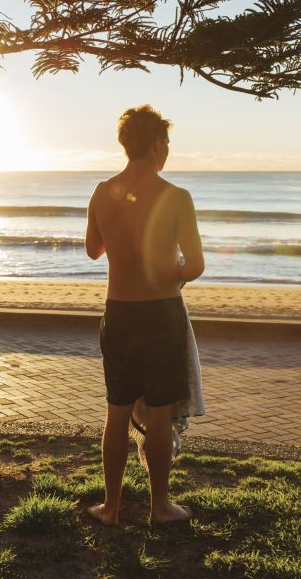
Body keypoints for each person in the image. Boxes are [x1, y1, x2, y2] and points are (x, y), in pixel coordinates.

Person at [84, 105, 205, 526]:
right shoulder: (176, 197)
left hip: (118, 313)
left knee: (116, 411)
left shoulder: (102, 191)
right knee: (158, 411)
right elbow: (195, 265)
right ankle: (159, 508)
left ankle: (112, 508)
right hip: (161, 314)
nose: (167, 150)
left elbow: (93, 249)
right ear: (156, 145)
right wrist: (169, 273)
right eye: (167, 143)